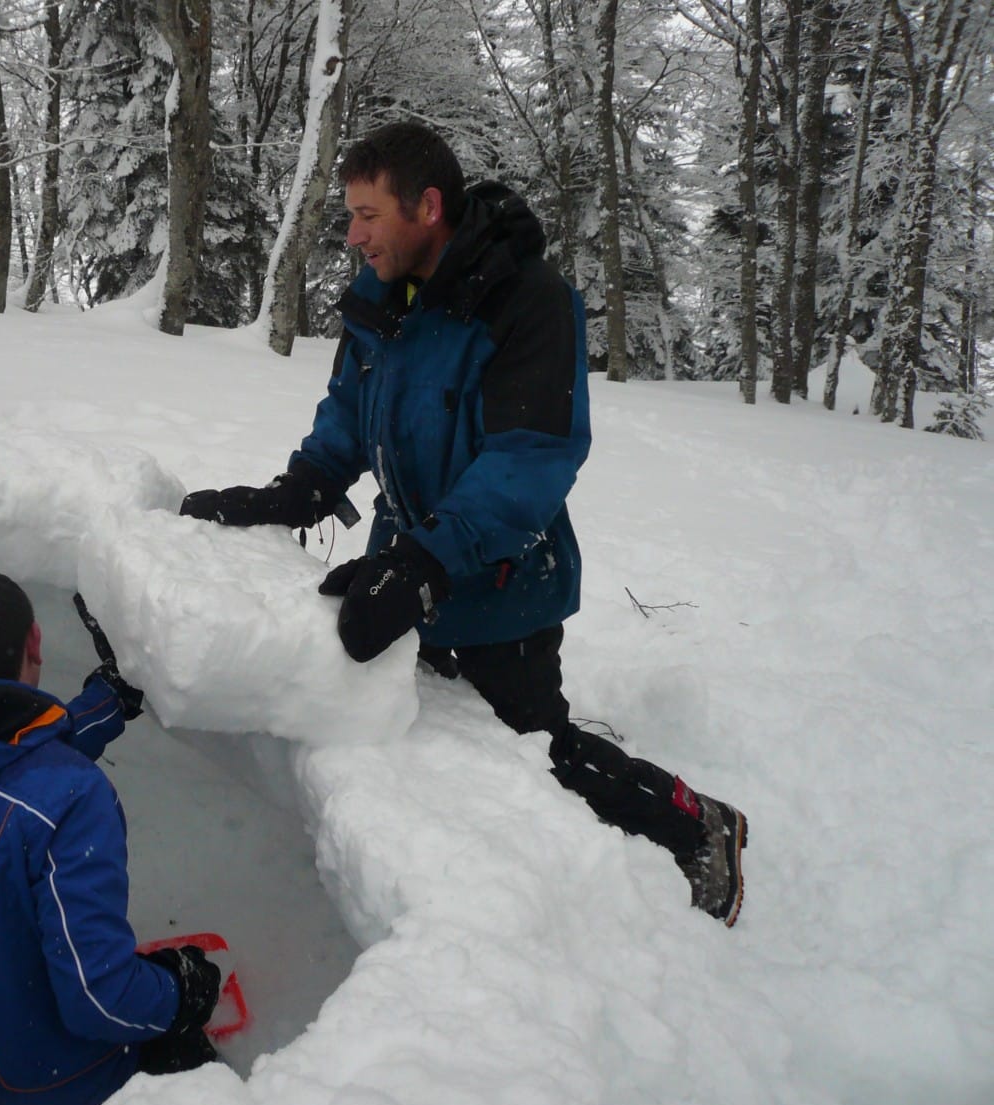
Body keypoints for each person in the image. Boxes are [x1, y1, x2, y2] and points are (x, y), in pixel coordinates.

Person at [180, 122, 748, 927]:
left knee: (531, 752)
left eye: (369, 215)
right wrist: (301, 488)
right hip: (404, 559)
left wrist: (428, 561)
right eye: (352, 215)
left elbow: (532, 458)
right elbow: (351, 409)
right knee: (423, 745)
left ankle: (697, 823)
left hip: (503, 577)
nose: (355, 235)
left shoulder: (527, 301)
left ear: (429, 206)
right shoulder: (382, 300)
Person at [0, 569, 221, 1105]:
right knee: (186, 1058)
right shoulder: (73, 800)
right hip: (28, 1086)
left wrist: (106, 701)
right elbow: (99, 995)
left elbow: (8, 752)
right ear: (35, 639)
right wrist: (183, 990)